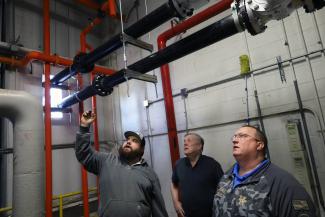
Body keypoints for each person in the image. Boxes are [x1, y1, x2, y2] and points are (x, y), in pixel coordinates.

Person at [75, 110, 169, 217]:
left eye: (135, 141)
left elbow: (159, 210)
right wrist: (84, 127)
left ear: (142, 150)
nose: (128, 142)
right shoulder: (107, 161)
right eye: (127, 139)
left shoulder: (150, 174)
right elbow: (84, 154)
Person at [213, 125, 317, 217]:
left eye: (243, 136)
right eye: (235, 136)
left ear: (259, 145)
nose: (235, 140)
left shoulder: (282, 183)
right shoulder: (226, 178)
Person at [171, 132, 224, 217]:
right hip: (186, 214)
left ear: (199, 146)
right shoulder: (179, 164)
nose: (185, 143)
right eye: (184, 141)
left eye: (189, 140)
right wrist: (176, 202)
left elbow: (223, 188)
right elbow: (174, 184)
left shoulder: (212, 165)